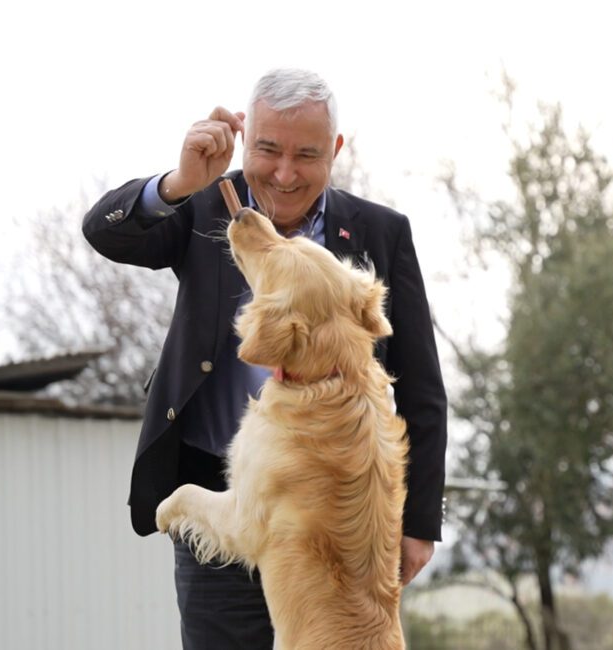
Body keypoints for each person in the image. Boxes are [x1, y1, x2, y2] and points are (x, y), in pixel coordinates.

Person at [82, 68, 447, 649]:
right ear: (246, 138)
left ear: (335, 150)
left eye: (306, 155)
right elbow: (105, 233)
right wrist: (178, 181)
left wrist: (421, 523)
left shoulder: (382, 232)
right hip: (216, 483)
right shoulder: (201, 204)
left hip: (335, 525)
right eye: (269, 150)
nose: (284, 173)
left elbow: (423, 390)